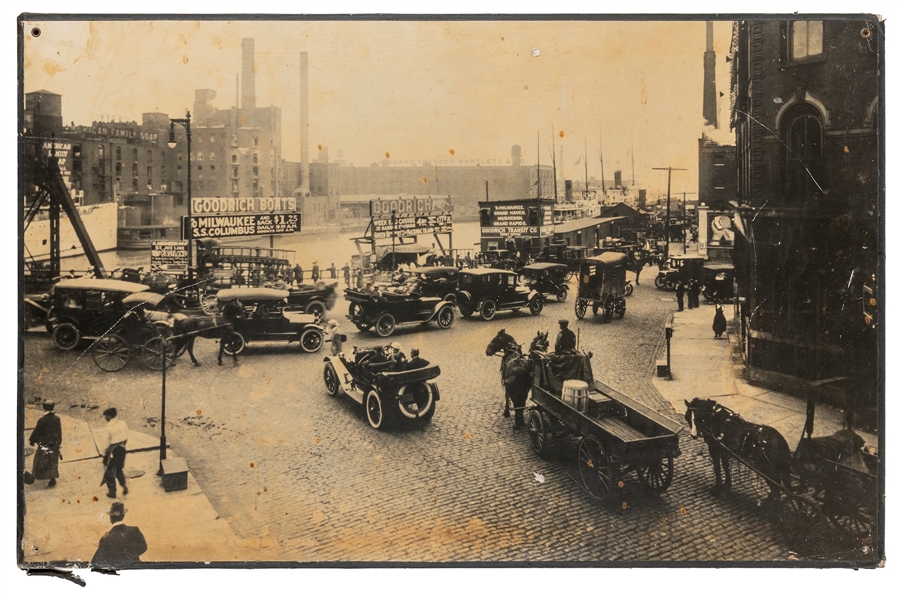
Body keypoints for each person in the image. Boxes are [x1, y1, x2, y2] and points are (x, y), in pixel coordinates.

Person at [92, 502, 147, 567]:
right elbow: (143, 547)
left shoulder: (106, 538)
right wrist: (130, 556)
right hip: (134, 569)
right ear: (123, 516)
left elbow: (95, 562)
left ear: (110, 517)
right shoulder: (134, 530)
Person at [28, 399, 62, 488]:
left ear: (44, 408)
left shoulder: (42, 419)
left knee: (41, 459)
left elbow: (37, 431)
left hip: (44, 444)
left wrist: (32, 440)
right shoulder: (57, 418)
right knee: (53, 461)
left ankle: (37, 476)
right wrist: (59, 442)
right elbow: (59, 432)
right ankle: (52, 478)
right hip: (54, 444)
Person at [99, 408, 129, 499]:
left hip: (113, 451)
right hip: (122, 449)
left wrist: (105, 455)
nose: (105, 418)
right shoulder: (123, 423)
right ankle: (124, 486)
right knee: (119, 469)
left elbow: (106, 444)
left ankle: (112, 492)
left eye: (105, 416)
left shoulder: (108, 427)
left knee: (109, 472)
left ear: (108, 415)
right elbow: (126, 437)